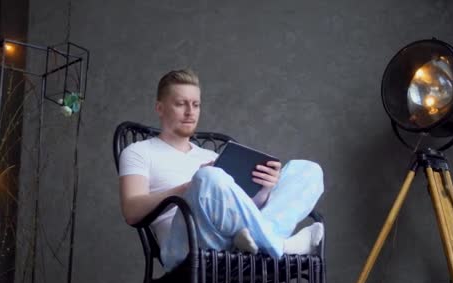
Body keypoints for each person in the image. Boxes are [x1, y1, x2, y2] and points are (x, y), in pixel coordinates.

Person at [119, 69, 325, 271]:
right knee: (207, 176)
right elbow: (132, 212)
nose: (190, 112)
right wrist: (190, 186)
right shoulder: (139, 151)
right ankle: (281, 245)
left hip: (233, 243)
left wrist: (264, 190)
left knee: (308, 170)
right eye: (181, 104)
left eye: (196, 104)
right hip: (185, 248)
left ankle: (265, 239)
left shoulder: (212, 157)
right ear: (160, 108)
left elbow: (240, 210)